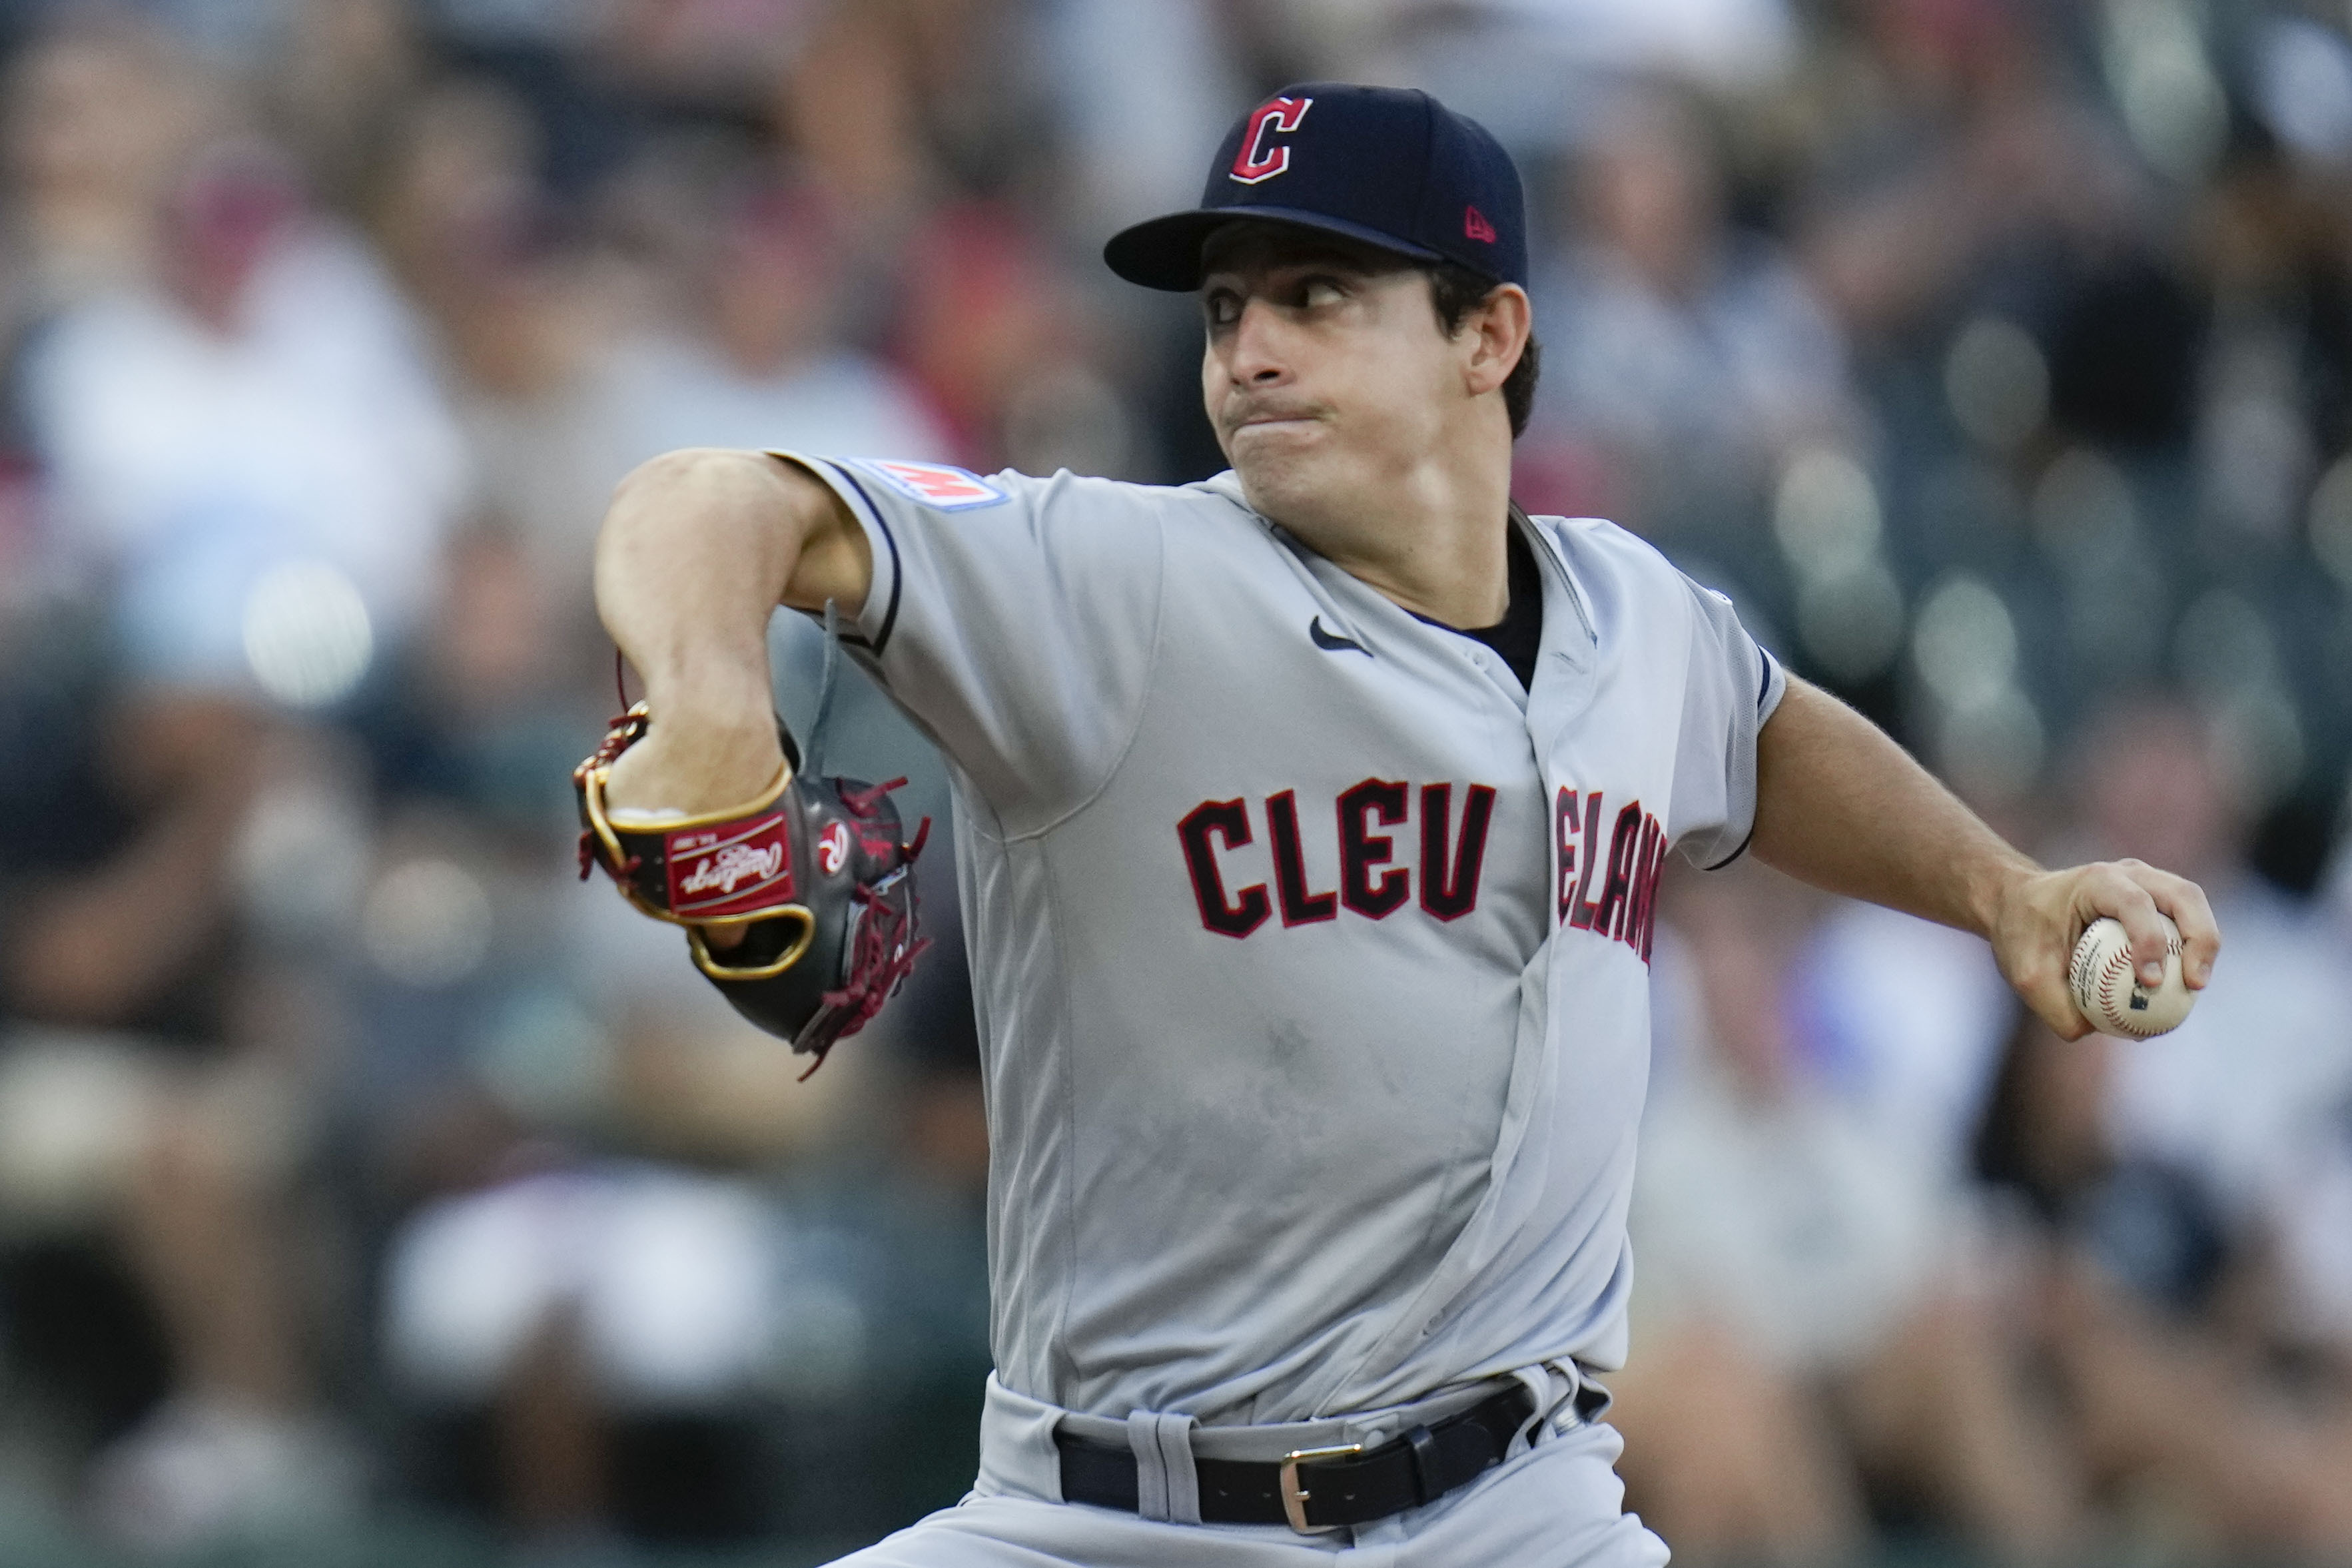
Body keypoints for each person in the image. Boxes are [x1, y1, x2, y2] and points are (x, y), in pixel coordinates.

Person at [584, 83, 2220, 1567]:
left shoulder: (1632, 617)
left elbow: (1768, 736)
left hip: (1526, 1511)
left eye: (1315, 299)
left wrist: (2003, 889)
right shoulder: (1119, 581)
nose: (1248, 353)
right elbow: (709, 502)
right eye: (1227, 308)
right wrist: (710, 689)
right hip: (1115, 1521)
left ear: (1487, 334)